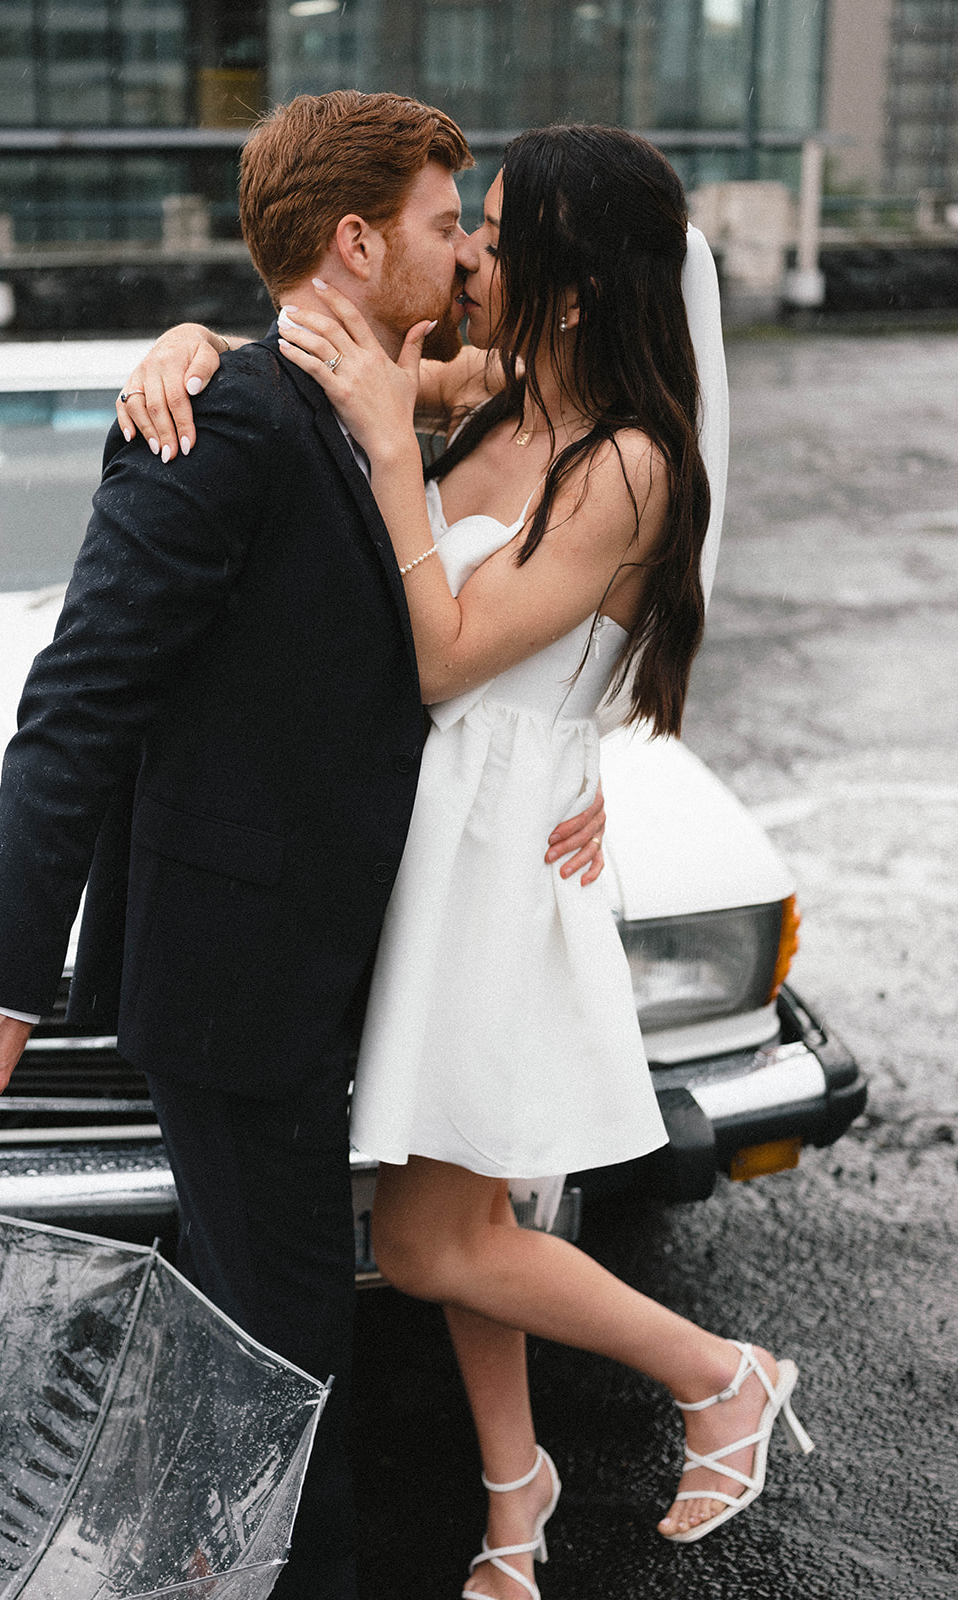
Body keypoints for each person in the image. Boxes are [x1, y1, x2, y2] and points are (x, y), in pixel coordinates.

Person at [0, 91, 606, 1600]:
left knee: (257, 1343)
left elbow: (535, 494)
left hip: (334, 961)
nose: (465, 254)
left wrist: (580, 751)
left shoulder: (369, 395)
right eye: (447, 225)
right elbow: (82, 698)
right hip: (242, 982)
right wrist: (1, 977)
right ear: (359, 241)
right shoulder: (224, 412)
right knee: (293, 1364)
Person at [122, 125, 814, 1600]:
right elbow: (296, 355)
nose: (470, 256)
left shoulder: (629, 463)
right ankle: (516, 1500)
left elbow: (443, 654)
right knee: (469, 1210)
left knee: (434, 1238)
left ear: (570, 280)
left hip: (498, 863)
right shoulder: (491, 387)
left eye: (496, 234)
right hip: (433, 832)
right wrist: (184, 344)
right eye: (469, 228)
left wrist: (387, 445)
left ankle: (723, 1371)